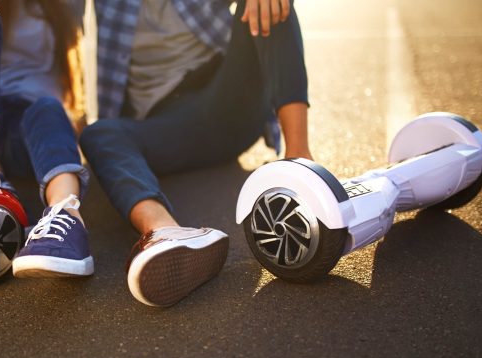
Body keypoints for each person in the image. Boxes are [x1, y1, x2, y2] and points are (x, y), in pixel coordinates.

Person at [79, 0, 312, 306]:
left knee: (268, 3)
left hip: (227, 99)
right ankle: (164, 233)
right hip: (168, 124)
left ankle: (301, 165)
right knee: (99, 133)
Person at [0, 0, 93, 277]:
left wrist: (69, 128)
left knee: (48, 107)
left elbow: (68, 69)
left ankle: (65, 216)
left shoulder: (67, 4)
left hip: (29, 125)